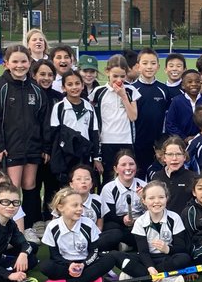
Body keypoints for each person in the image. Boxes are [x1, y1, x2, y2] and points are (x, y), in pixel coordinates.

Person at [0, 47, 48, 236]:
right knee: (12, 188)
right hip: (11, 148)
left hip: (33, 147)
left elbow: (44, 122)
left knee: (30, 185)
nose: (19, 65)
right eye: (15, 61)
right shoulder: (1, 88)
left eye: (23, 61)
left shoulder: (36, 90)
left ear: (30, 63)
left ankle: (29, 226)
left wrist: (45, 146)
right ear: (6, 64)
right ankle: (11, 227)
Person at [38, 187, 119, 282]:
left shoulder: (89, 224)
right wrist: (69, 265)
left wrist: (83, 265)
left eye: (81, 205)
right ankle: (90, 279)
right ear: (60, 207)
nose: (80, 209)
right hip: (65, 265)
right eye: (75, 205)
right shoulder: (52, 227)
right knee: (45, 266)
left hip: (86, 264)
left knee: (110, 258)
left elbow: (94, 251)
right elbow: (55, 256)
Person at [119, 181, 193, 282]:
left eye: (161, 197)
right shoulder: (140, 221)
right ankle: (166, 281)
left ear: (167, 198)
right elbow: (143, 252)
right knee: (119, 256)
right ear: (144, 201)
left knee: (184, 258)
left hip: (167, 258)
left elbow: (181, 247)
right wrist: (150, 267)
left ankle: (137, 276)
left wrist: (167, 249)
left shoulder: (174, 218)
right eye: (151, 198)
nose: (157, 201)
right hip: (148, 258)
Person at [89, 55, 138, 185]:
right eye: (115, 76)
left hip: (126, 140)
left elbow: (133, 116)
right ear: (107, 72)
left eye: (122, 76)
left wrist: (123, 96)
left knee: (126, 176)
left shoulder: (131, 91)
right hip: (106, 141)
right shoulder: (98, 91)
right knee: (108, 178)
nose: (119, 80)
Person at [49, 70, 100, 185]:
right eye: (70, 84)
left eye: (77, 83)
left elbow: (94, 133)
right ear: (63, 88)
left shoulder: (89, 107)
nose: (74, 87)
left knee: (83, 185)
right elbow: (55, 134)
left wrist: (96, 157)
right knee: (67, 188)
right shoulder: (59, 107)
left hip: (84, 155)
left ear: (82, 85)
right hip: (65, 156)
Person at [129, 48, 171, 176]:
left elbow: (166, 117)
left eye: (153, 63)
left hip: (158, 145)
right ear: (138, 66)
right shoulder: (132, 89)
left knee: (158, 178)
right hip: (137, 144)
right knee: (139, 177)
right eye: (145, 63)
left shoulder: (163, 89)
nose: (149, 67)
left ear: (158, 66)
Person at [100, 149, 144, 251]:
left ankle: (127, 245)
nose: (128, 168)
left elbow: (151, 212)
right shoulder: (109, 188)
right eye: (123, 165)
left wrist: (144, 199)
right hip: (119, 224)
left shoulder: (144, 186)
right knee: (112, 229)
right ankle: (128, 244)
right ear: (116, 169)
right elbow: (108, 216)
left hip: (139, 223)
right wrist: (123, 220)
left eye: (131, 164)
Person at [155, 135, 196, 213]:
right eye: (170, 154)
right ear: (164, 157)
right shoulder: (156, 177)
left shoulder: (193, 177)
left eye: (178, 154)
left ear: (184, 156)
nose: (174, 158)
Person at [164, 68, 202, 140]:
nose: (194, 84)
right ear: (183, 85)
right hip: (182, 142)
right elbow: (170, 124)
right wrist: (184, 138)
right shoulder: (177, 101)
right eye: (189, 82)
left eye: (197, 81)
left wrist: (201, 137)